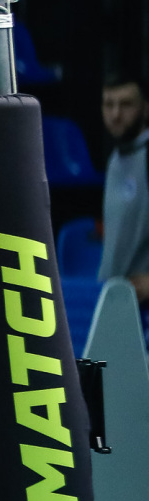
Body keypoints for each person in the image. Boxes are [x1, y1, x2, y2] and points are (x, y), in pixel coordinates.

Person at [98, 75, 149, 324]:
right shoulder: (115, 160)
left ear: (145, 108)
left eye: (126, 104)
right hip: (115, 305)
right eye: (109, 104)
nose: (116, 114)